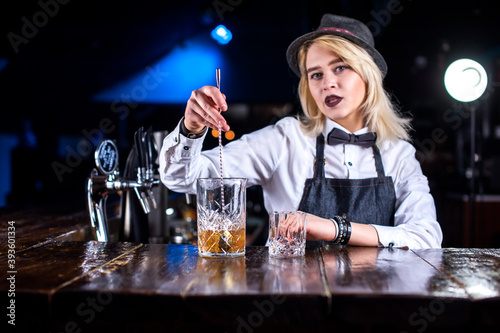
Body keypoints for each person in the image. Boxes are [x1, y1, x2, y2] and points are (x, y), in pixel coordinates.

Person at [159, 14, 443, 249]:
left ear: (367, 75)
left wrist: (332, 228)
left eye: (340, 68)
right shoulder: (285, 139)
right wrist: (191, 129)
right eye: (316, 74)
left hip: (374, 306)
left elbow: (427, 237)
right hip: (292, 306)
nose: (327, 83)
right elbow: (184, 179)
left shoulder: (399, 154)